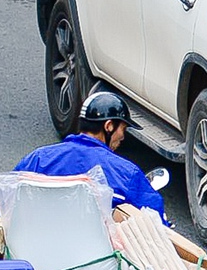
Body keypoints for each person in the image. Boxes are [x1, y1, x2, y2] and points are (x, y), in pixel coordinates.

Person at [15, 89, 168, 219]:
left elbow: (5, 202)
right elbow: (155, 223)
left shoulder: (37, 159)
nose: (122, 136)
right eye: (123, 128)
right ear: (109, 126)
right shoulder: (127, 174)